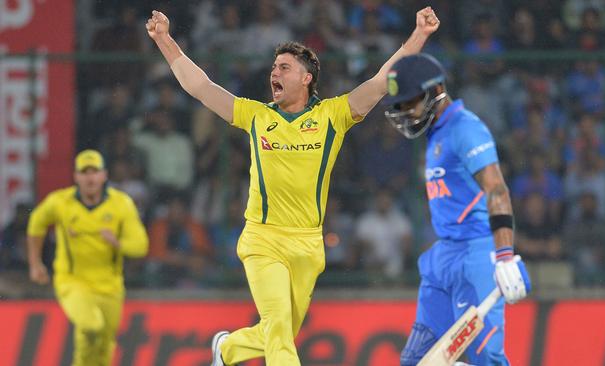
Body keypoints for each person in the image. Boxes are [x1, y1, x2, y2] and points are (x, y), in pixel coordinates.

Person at [146, 7, 440, 366]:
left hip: (308, 244)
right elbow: (201, 87)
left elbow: (382, 80)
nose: (274, 72)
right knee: (281, 334)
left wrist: (419, 35)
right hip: (262, 239)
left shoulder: (331, 116)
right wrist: (165, 39)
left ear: (306, 79)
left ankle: (226, 350)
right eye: (273, 67)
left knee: (278, 331)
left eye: (284, 67)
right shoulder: (257, 116)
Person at [383, 54, 531, 365]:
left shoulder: (465, 128)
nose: (405, 111)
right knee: (417, 360)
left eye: (410, 101)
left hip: (475, 256)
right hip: (444, 257)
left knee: (484, 359)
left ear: (435, 89)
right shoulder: (437, 133)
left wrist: (504, 255)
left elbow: (497, 189)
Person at [26, 150, 148, 366]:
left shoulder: (121, 204)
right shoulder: (60, 202)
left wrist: (117, 243)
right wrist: (35, 264)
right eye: (84, 172)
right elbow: (36, 223)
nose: (90, 178)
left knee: (105, 345)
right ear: (75, 177)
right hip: (73, 281)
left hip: (110, 286)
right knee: (90, 326)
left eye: (95, 172)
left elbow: (140, 246)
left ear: (104, 175)